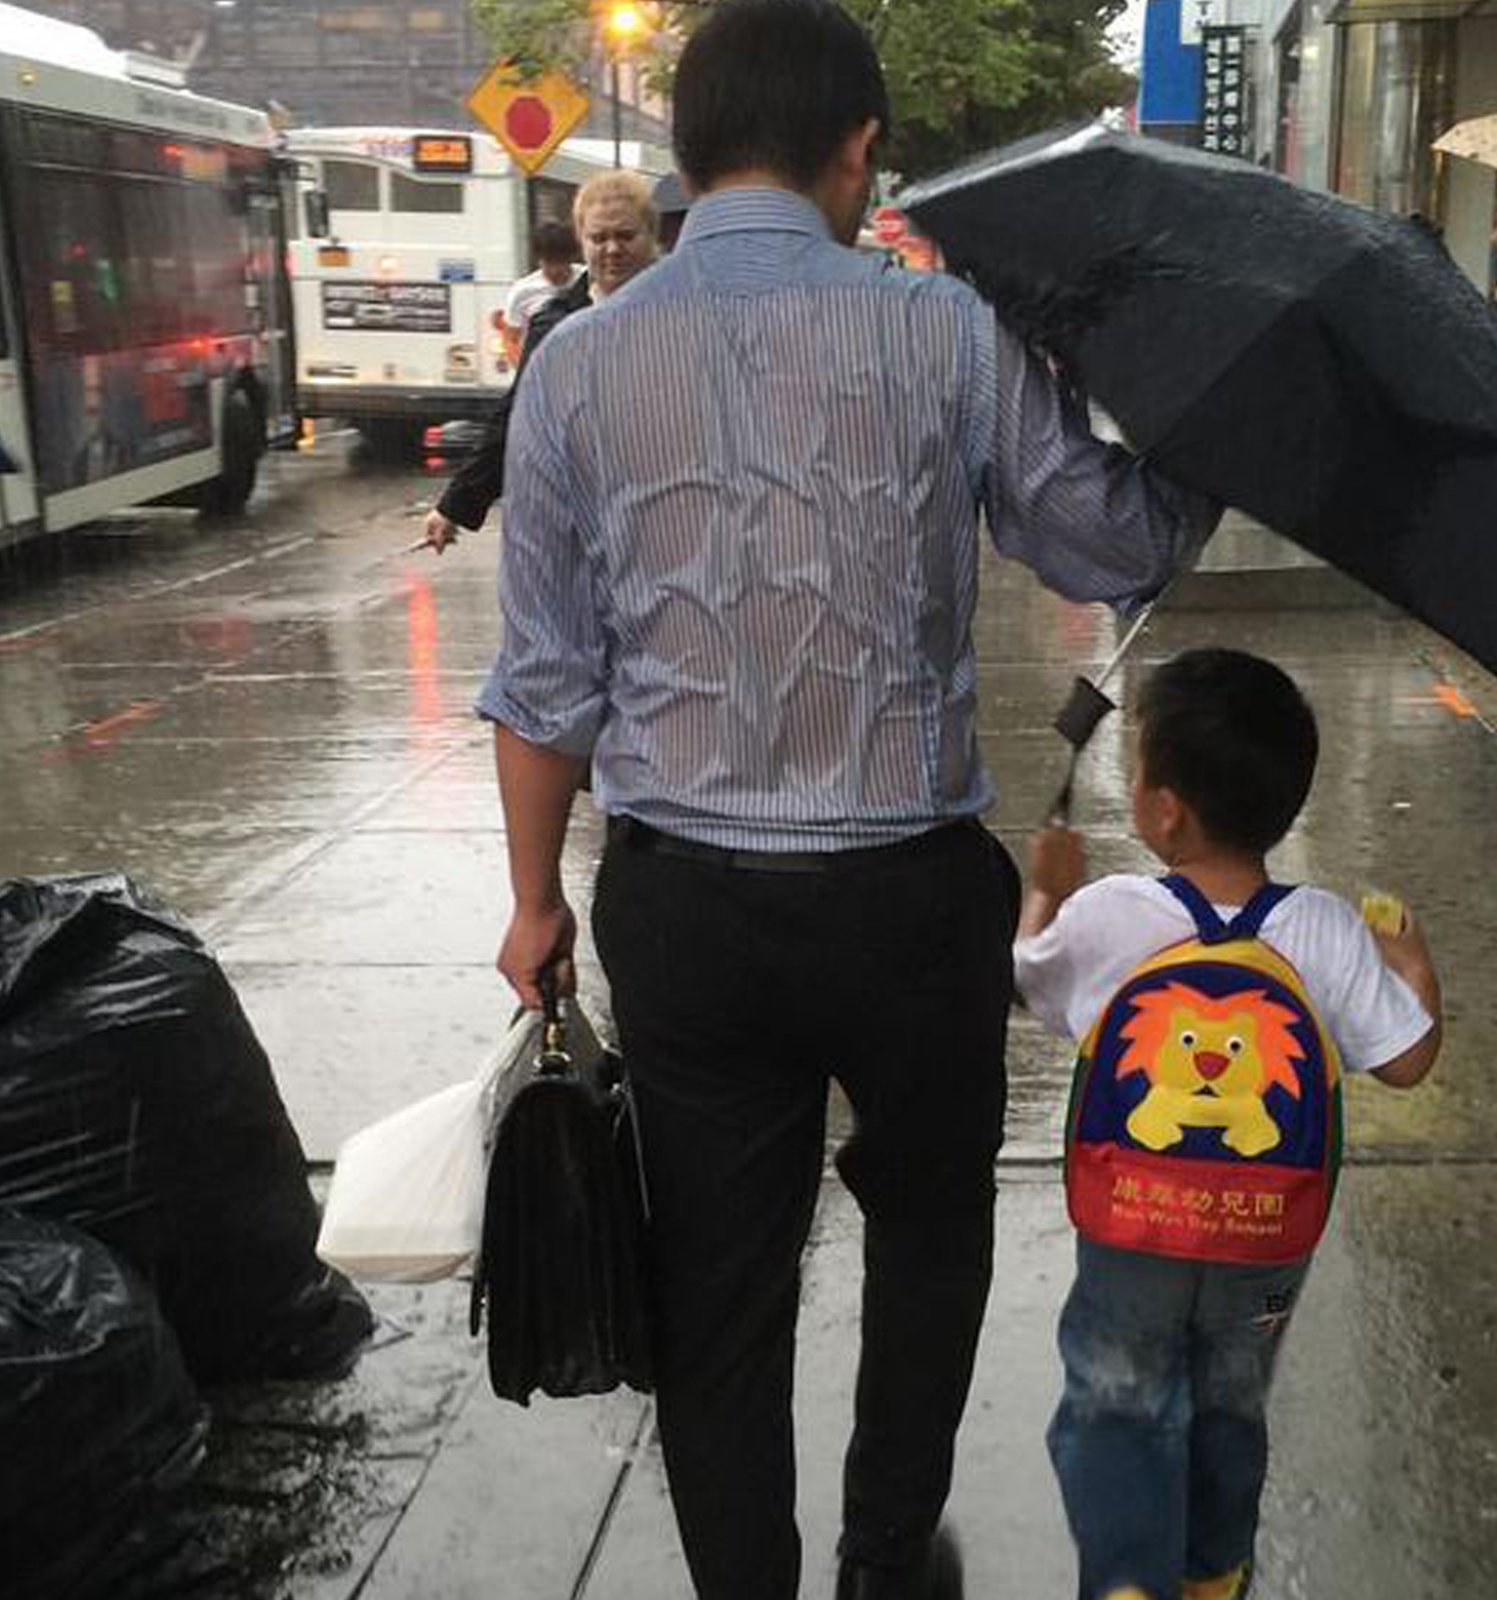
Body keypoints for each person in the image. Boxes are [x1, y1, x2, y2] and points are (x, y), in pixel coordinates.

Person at [476, 2, 1217, 1596]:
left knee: (718, 1285)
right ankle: (888, 1561)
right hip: (906, 907)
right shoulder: (946, 336)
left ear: (684, 157)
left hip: (686, 912)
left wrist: (535, 902)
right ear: (858, 148)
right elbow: (1110, 549)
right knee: (931, 1237)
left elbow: (545, 686)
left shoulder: (579, 365)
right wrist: (1193, 437)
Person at [1014, 649, 1442, 1600]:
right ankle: (1213, 1572)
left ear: (1164, 811)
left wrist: (1045, 885)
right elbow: (1408, 1060)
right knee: (1230, 1401)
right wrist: (1411, 964)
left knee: (1119, 1395)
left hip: (1134, 1225)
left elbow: (1030, 976)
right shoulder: (1326, 928)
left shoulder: (1111, 913)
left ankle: (1127, 1578)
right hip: (1264, 1239)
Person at [418, 170, 660, 553]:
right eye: (599, 238)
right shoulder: (554, 323)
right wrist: (455, 506)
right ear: (582, 241)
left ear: (652, 236)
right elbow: (517, 416)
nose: (612, 249)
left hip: (667, 518)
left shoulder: (685, 313)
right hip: (581, 521)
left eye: (626, 236)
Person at [498, 219, 583, 368]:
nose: (555, 270)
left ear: (571, 257)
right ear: (539, 259)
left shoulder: (588, 279)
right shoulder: (523, 291)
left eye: (561, 262)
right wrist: (524, 371)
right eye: (549, 262)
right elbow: (510, 339)